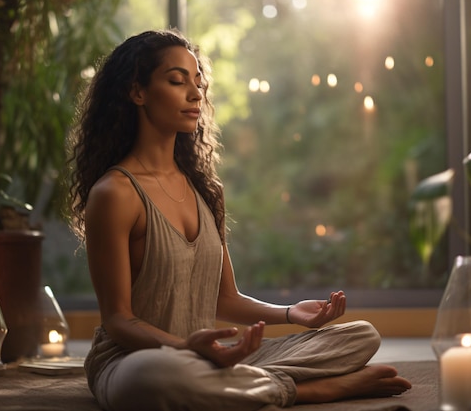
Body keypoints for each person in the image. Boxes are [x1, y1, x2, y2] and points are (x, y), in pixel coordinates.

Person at [66, 29, 411, 411]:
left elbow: (225, 299)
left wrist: (290, 314)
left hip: (207, 358)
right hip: (140, 359)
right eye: (177, 81)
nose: (195, 94)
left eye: (199, 83)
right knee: (153, 379)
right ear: (138, 92)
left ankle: (236, 383)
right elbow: (118, 320)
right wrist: (184, 347)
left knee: (361, 335)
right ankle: (313, 389)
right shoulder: (115, 193)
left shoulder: (205, 189)